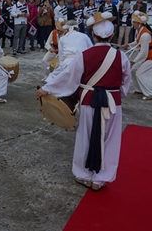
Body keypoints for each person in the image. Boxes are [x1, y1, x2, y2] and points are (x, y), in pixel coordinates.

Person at [37, 11, 131, 191]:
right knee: (110, 140)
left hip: (89, 100)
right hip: (112, 102)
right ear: (112, 35)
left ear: (93, 35)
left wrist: (46, 89)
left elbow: (68, 77)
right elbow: (126, 81)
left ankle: (83, 174)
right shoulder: (122, 57)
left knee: (84, 138)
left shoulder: (84, 55)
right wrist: (121, 93)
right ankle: (100, 178)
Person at [123, 12, 152, 100]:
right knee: (133, 70)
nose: (133, 24)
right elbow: (137, 42)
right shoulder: (140, 31)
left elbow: (143, 52)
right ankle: (139, 89)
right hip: (149, 55)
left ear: (140, 23)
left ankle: (150, 93)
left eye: (134, 23)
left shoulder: (145, 35)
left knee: (141, 73)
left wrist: (134, 61)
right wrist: (128, 45)